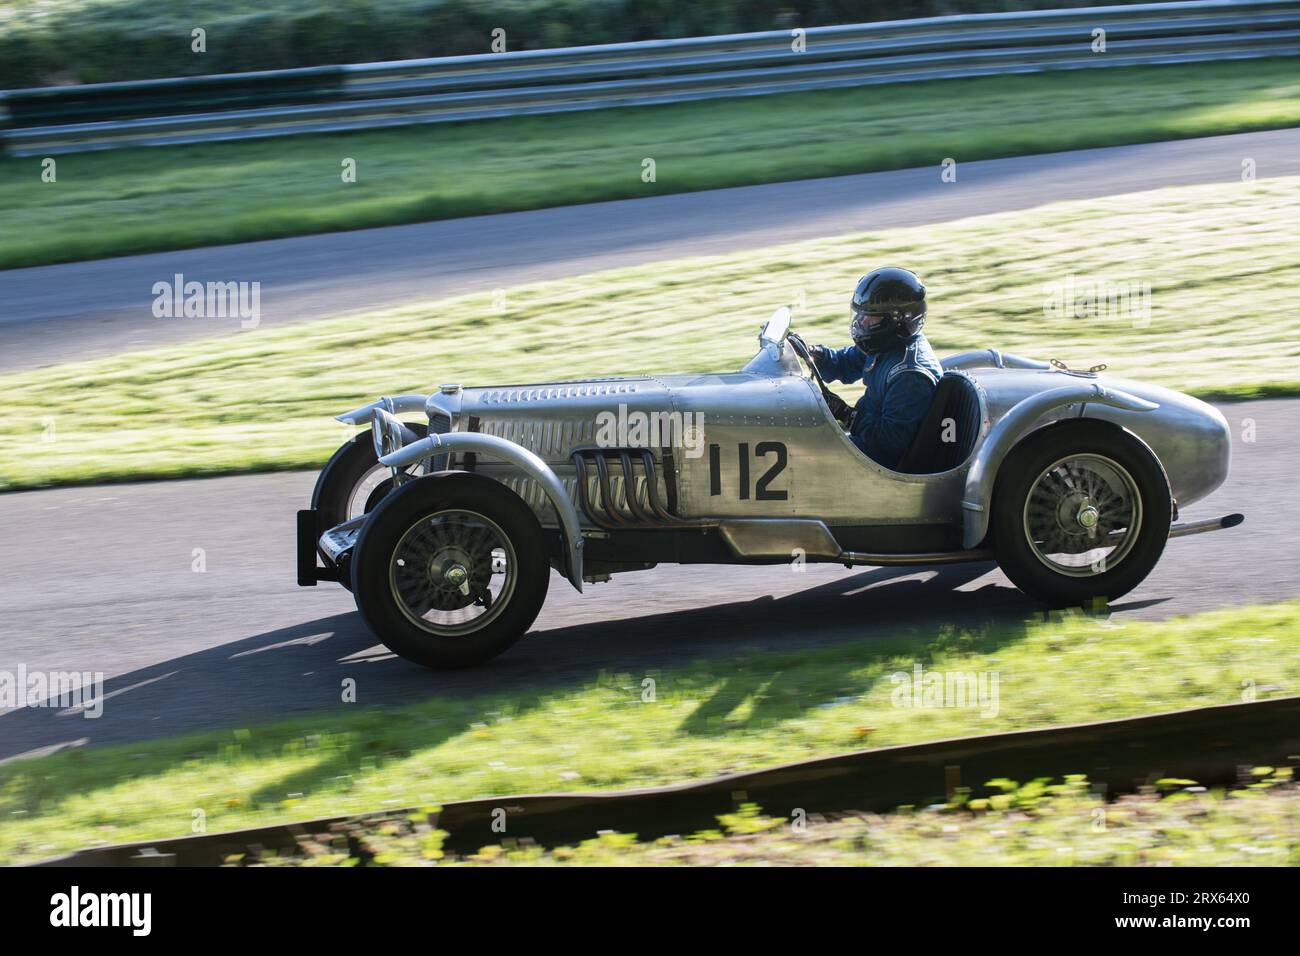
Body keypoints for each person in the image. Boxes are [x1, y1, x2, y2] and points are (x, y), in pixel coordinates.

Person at [811, 267, 942, 469]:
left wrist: (846, 414)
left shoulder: (909, 374)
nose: (862, 321)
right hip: (865, 446)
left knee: (805, 456)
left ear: (897, 320)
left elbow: (889, 442)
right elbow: (844, 365)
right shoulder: (887, 346)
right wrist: (814, 353)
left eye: (871, 316)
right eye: (861, 315)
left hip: (880, 464)